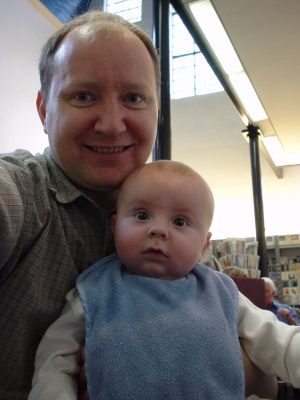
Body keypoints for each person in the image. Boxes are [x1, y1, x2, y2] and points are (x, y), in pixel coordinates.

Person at [29, 161, 300, 400]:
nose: (157, 230)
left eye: (180, 222)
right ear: (114, 226)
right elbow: (54, 361)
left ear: (204, 245)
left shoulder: (221, 293)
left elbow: (278, 341)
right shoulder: (94, 292)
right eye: (142, 215)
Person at [0, 10, 159, 400]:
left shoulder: (174, 214)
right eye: (83, 96)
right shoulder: (22, 193)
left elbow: (261, 379)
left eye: (133, 98)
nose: (111, 123)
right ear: (44, 110)